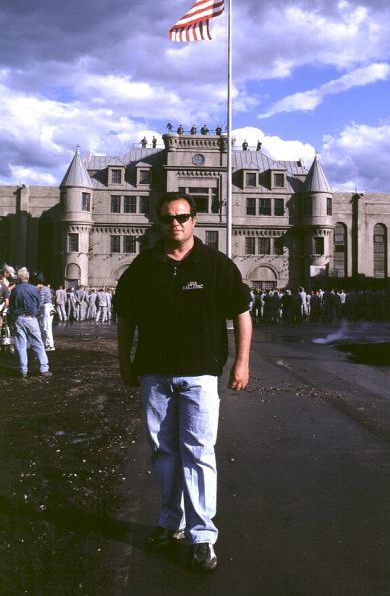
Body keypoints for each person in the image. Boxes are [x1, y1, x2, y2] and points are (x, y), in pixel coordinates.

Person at [114, 192, 252, 573]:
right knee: (163, 451)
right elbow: (125, 317)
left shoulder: (216, 266)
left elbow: (242, 314)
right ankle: (169, 522)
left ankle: (202, 536)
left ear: (195, 221)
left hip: (200, 376)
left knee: (198, 452)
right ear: (158, 222)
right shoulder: (142, 268)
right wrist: (123, 360)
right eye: (168, 217)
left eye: (183, 216)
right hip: (155, 375)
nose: (175, 223)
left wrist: (241, 362)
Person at [9, 267, 52, 378]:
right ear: (28, 277)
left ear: (18, 278)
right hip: (31, 318)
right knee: (37, 343)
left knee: (21, 345)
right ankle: (44, 368)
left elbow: (12, 306)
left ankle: (23, 370)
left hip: (18, 319)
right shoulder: (34, 289)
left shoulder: (15, 290)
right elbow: (39, 304)